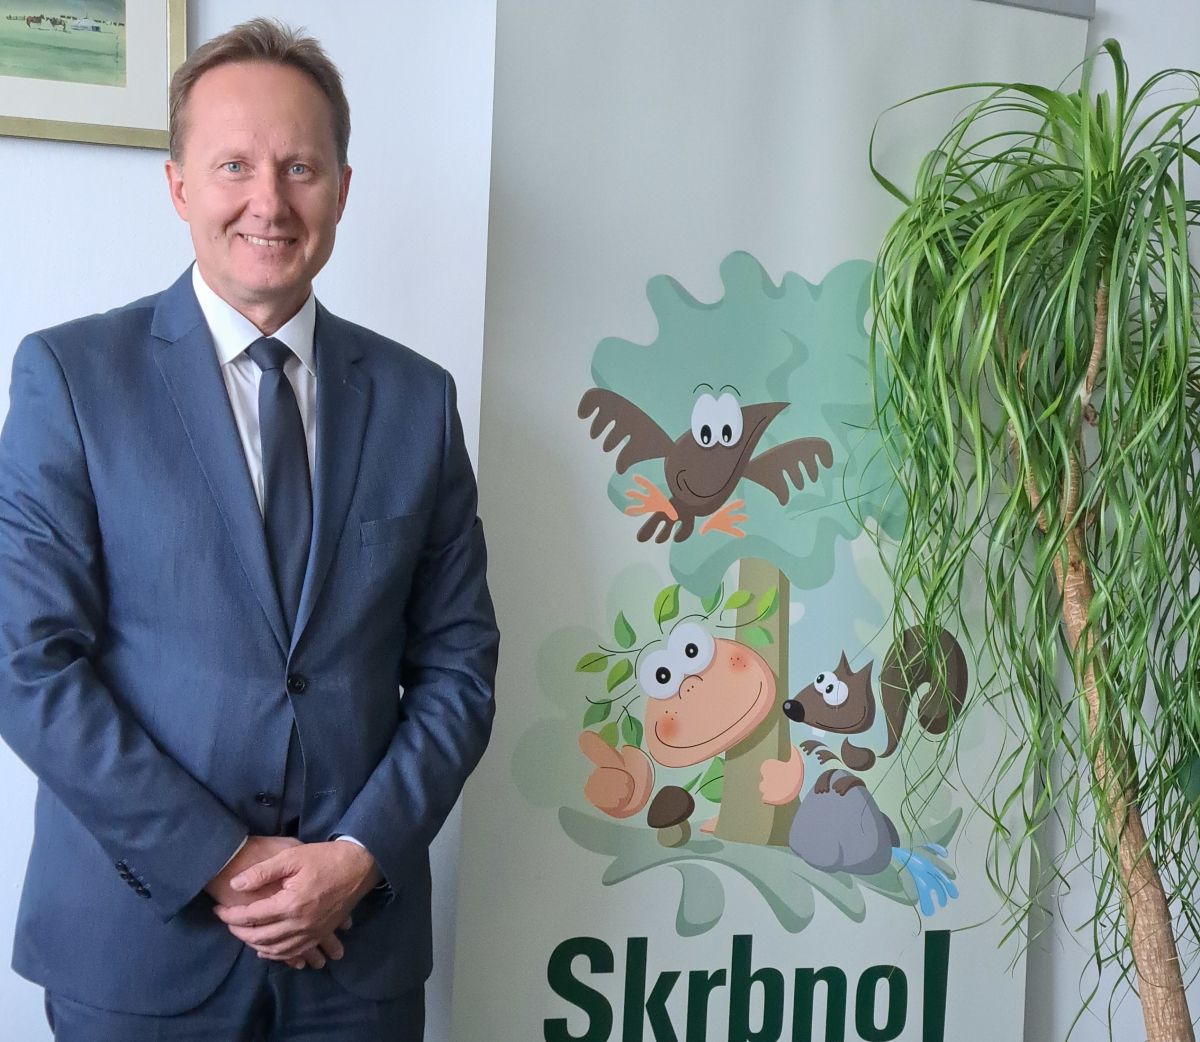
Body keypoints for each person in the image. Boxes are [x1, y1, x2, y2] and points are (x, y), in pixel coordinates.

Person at [0, 18, 498, 1041]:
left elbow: (459, 667)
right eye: (234, 165)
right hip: (140, 946)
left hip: (355, 952)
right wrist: (221, 861)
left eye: (299, 167)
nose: (268, 200)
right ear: (178, 184)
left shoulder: (418, 400)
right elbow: (27, 661)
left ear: (342, 190)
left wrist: (358, 855)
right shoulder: (70, 380)